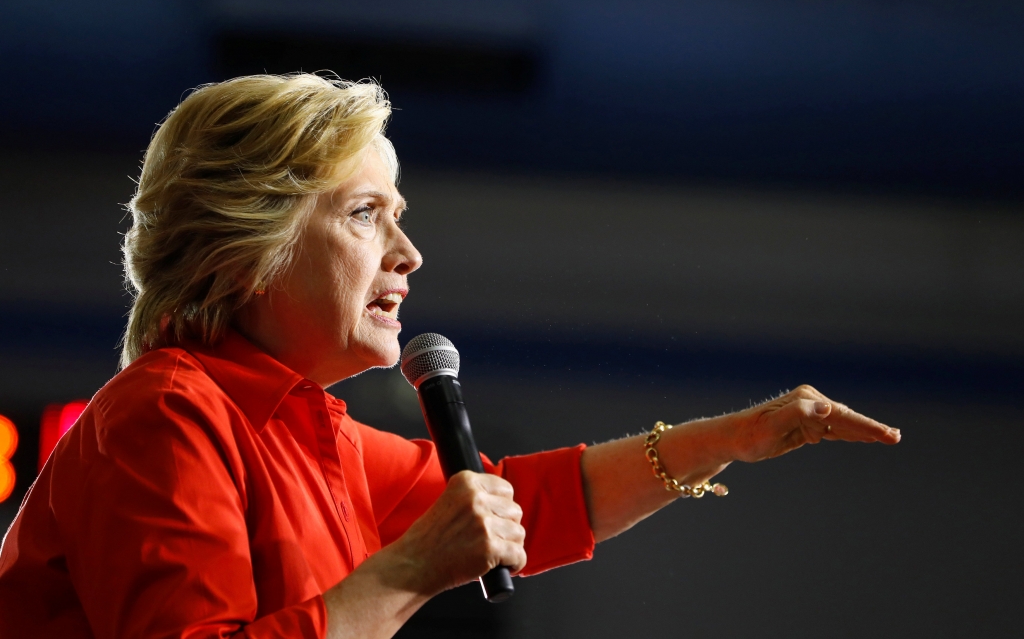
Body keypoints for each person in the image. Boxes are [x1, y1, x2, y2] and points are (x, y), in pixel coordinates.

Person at [0, 74, 900, 639]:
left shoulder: (314, 435)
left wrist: (734, 437)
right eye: (365, 214)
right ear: (249, 246)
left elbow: (525, 508)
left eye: (400, 214)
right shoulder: (166, 413)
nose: (409, 252)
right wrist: (407, 570)